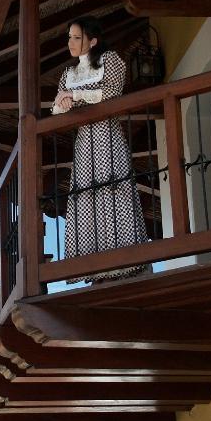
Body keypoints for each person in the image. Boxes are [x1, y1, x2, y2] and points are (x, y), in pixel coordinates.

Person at [52, 16, 149, 282]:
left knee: (112, 186)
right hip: (84, 141)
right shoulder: (67, 74)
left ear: (92, 41)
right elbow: (57, 109)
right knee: (87, 192)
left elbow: (111, 92)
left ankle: (123, 257)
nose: (70, 43)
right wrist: (64, 102)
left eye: (76, 37)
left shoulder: (111, 61)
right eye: (69, 37)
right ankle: (94, 262)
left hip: (107, 133)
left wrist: (76, 96)